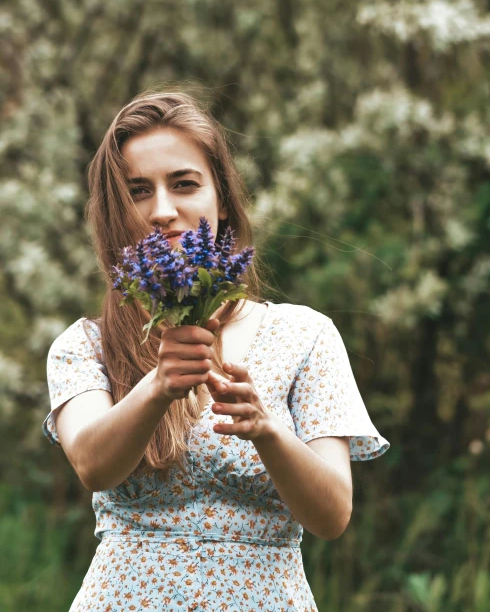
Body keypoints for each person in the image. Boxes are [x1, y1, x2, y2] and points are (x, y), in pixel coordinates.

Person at [42, 87, 390, 612]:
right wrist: (157, 387)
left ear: (222, 199)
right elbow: (94, 465)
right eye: (138, 191)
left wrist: (268, 430)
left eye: (184, 184)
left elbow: (332, 515)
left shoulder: (305, 336)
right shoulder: (85, 345)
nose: (162, 210)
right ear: (117, 210)